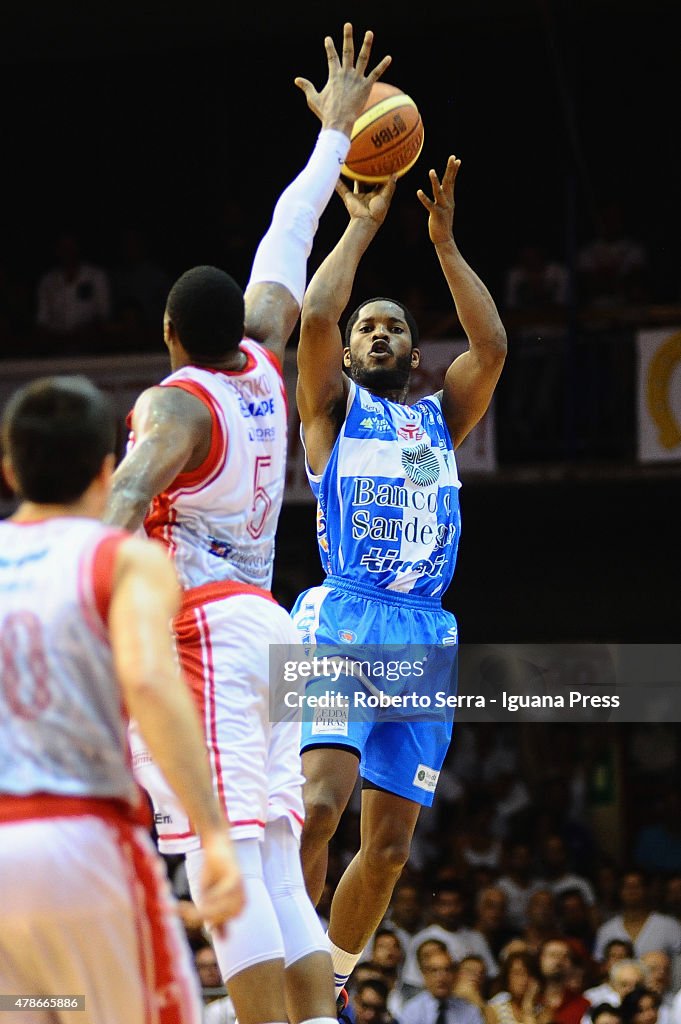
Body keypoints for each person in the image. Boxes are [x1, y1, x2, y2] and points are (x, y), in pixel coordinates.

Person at [102, 23, 391, 1024]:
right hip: (263, 628)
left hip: (209, 638)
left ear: (172, 336)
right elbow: (288, 234)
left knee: (232, 862)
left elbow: (129, 496)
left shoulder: (179, 403)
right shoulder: (263, 357)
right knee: (268, 858)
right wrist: (335, 138)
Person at [290, 131, 507, 1003]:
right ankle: (291, 971)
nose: (376, 333)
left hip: (423, 633)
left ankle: (331, 987)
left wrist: (446, 248)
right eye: (365, 328)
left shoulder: (436, 421)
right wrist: (363, 225)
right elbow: (310, 317)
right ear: (346, 355)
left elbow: (489, 348)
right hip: (342, 614)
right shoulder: (331, 413)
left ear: (412, 355)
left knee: (385, 854)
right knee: (316, 806)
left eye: (392, 329)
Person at [0, 375, 244, 1024]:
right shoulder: (123, 559)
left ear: (9, 467)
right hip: (84, 847)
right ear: (109, 469)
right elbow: (147, 680)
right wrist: (214, 836)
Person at [400, 947, 487, 1024]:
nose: (441, 977)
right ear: (425, 975)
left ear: (454, 975)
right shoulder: (412, 1010)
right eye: (434, 971)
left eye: (447, 970)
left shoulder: (469, 1011)